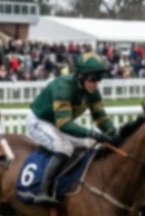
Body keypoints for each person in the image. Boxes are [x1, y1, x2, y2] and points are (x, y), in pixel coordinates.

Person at [25, 52, 116, 204]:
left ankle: (70, 180)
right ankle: (44, 191)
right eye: (93, 78)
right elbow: (64, 124)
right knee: (65, 147)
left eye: (99, 78)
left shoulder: (92, 92)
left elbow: (100, 117)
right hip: (39, 121)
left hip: (56, 124)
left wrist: (114, 132)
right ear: (80, 76)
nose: (96, 83)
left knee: (90, 144)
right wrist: (93, 133)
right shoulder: (64, 86)